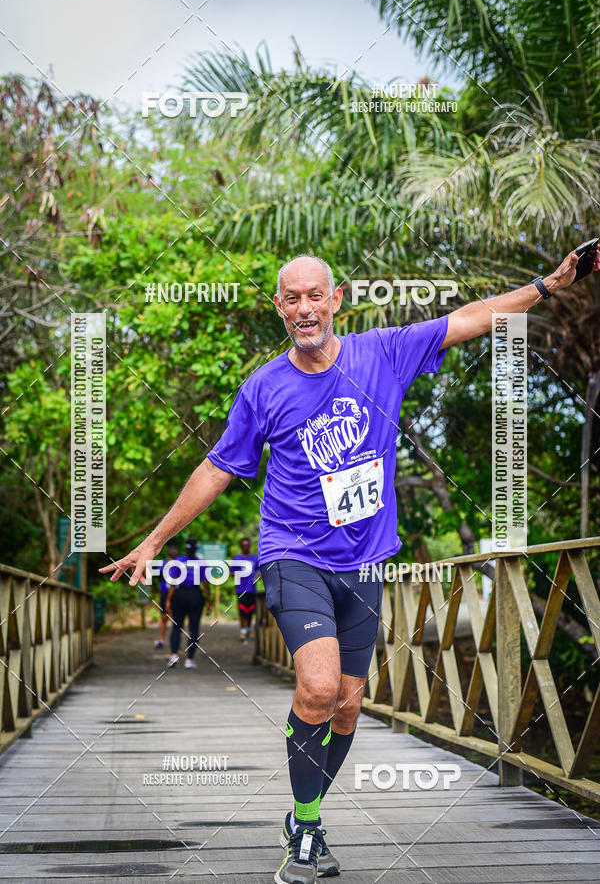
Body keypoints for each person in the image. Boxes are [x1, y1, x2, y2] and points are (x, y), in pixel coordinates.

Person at [100, 246, 600, 883]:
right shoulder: (264, 388)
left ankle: (303, 813)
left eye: (316, 295)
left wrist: (547, 285)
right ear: (278, 308)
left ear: (335, 301)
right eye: (292, 298)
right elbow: (217, 469)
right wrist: (151, 542)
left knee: (346, 705)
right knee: (316, 687)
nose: (305, 308)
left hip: (365, 561)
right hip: (292, 553)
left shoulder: (383, 353)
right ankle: (306, 830)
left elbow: (473, 318)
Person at [165, 536, 211, 669]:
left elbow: (173, 582)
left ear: (185, 548)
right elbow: (206, 585)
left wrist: (168, 600)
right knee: (194, 629)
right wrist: (209, 602)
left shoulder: (178, 561)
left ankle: (174, 655)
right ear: (196, 548)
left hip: (180, 596)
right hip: (195, 596)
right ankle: (189, 659)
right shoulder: (201, 563)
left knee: (176, 627)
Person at [231, 537, 260, 640]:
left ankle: (249, 629)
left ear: (250, 546)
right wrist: (236, 574)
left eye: (247, 545)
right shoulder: (236, 558)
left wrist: (258, 575)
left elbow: (259, 571)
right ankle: (243, 632)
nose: (245, 547)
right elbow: (231, 572)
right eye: (243, 545)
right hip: (241, 590)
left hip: (252, 589)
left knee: (251, 611)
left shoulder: (255, 558)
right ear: (241, 546)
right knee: (242, 611)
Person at [153, 539, 179, 649]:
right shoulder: (163, 563)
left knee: (177, 618)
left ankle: (175, 641)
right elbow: (158, 574)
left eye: (175, 549)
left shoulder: (180, 563)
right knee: (164, 617)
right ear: (168, 551)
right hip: (165, 592)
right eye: (171, 549)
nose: (173, 551)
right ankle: (160, 639)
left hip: (177, 593)